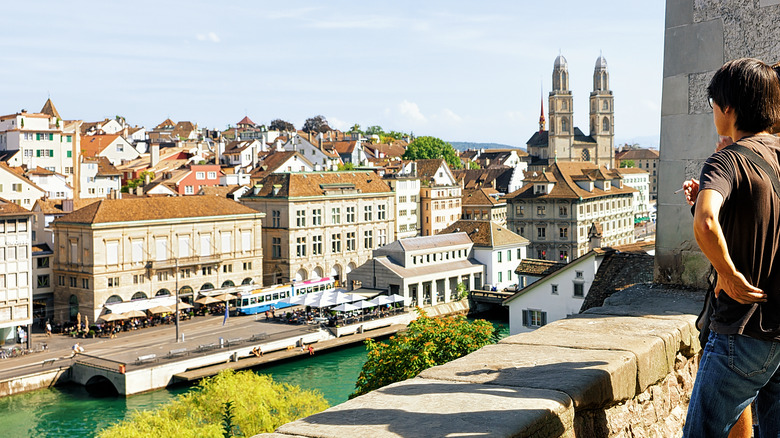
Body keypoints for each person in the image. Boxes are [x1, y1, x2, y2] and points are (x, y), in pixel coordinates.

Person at [682, 58, 780, 437]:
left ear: (727, 108)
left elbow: (706, 221)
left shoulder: (728, 160)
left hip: (744, 329)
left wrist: (727, 272)